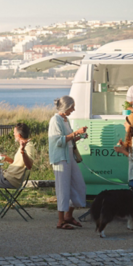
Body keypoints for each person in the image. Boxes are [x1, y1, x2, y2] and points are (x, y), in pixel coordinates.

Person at [48, 96, 88, 230]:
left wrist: (79, 136)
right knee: (63, 189)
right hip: (61, 159)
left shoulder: (66, 120)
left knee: (79, 185)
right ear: (66, 107)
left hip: (69, 157)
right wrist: (76, 132)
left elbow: (68, 140)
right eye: (72, 107)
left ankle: (68, 215)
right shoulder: (55, 120)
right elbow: (58, 141)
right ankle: (61, 221)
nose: (73, 109)